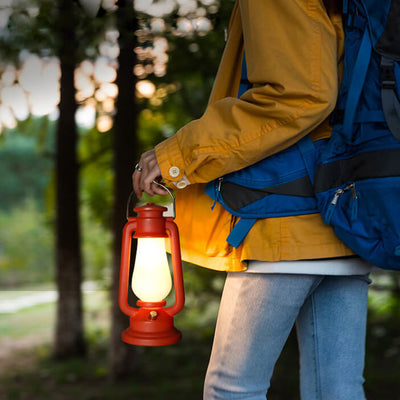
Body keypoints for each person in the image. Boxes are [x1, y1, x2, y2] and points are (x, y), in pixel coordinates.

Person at [132, 1, 373, 399]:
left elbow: (299, 95)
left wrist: (177, 156)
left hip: (283, 216)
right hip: (348, 211)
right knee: (337, 390)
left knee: (232, 389)